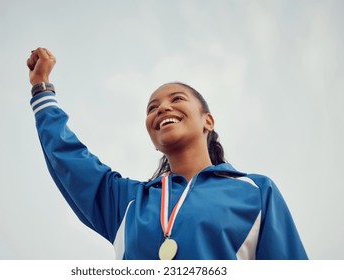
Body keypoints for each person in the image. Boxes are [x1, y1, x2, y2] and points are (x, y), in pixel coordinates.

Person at [27, 47, 308, 260]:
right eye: (152, 108)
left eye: (177, 99)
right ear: (153, 138)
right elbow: (69, 158)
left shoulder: (256, 191)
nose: (162, 109)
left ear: (207, 121)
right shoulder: (128, 202)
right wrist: (41, 88)